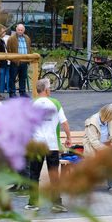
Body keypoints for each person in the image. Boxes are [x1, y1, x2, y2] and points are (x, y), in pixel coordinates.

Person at [26, 78, 70, 213]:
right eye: (49, 87)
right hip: (52, 145)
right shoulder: (55, 103)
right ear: (46, 90)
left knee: (34, 175)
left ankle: (33, 203)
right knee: (54, 175)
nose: (50, 89)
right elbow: (64, 122)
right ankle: (57, 203)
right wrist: (69, 137)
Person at [83, 103, 112, 194]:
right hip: (93, 148)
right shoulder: (92, 122)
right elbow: (94, 142)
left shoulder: (109, 120)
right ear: (107, 115)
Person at [9, 23, 32, 96]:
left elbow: (29, 48)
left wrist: (29, 59)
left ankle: (22, 92)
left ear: (24, 30)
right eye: (18, 30)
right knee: (12, 78)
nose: (20, 31)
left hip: (24, 61)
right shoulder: (11, 38)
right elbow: (8, 49)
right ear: (16, 29)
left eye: (21, 30)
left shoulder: (27, 38)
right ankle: (12, 93)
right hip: (15, 61)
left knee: (23, 77)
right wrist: (12, 59)